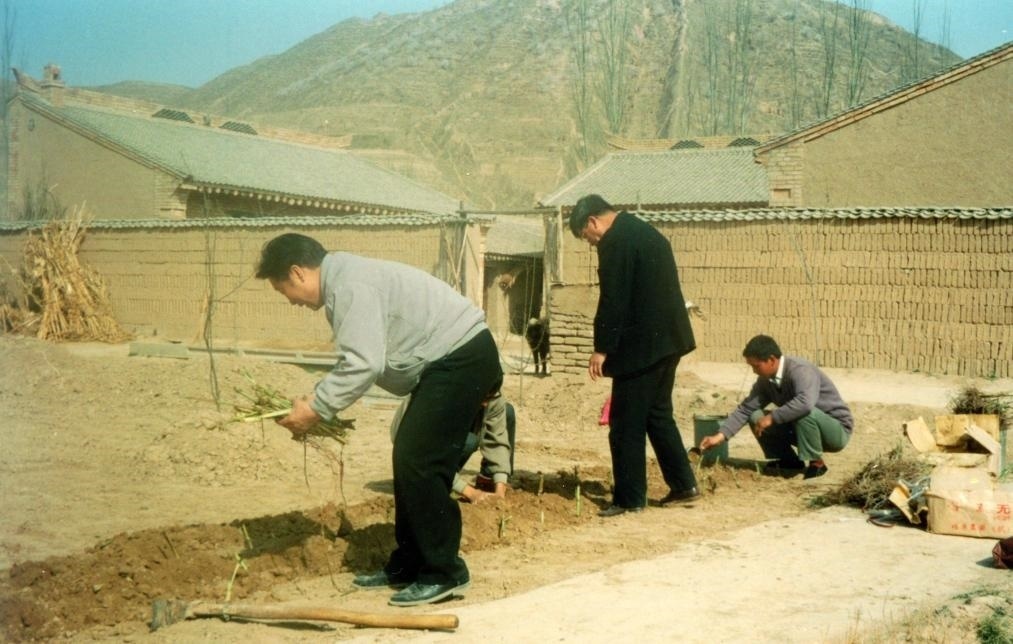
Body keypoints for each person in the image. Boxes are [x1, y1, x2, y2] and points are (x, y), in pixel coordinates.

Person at [255, 233, 502, 607]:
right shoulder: (345, 279)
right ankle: (409, 564)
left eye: (283, 290)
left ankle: (444, 572)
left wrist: (317, 407)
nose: (290, 301)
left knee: (419, 457)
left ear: (297, 272)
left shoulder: (349, 286)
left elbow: (363, 363)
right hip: (452, 358)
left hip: (461, 356)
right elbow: (363, 357)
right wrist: (319, 399)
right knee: (409, 454)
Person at [568, 194, 699, 517]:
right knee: (657, 414)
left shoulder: (615, 242)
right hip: (670, 341)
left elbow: (613, 299)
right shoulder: (643, 230)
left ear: (592, 221)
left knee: (625, 422)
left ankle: (629, 498)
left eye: (586, 236)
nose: (590, 242)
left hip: (642, 349)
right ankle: (684, 485)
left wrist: (602, 348)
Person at [699, 335, 853, 479]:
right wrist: (720, 436)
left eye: (756, 366)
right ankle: (789, 461)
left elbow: (805, 403)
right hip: (804, 429)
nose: (754, 371)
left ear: (771, 360)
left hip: (835, 431)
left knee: (802, 411)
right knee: (755, 416)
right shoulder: (765, 381)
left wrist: (772, 417)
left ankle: (816, 463)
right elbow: (746, 409)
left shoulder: (800, 370)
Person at [391, 392, 516, 503]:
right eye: (483, 398)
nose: (485, 404)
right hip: (412, 446)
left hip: (457, 409)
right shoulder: (439, 396)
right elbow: (427, 454)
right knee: (469, 442)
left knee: (506, 411)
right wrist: (470, 493)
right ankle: (438, 482)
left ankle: (487, 479)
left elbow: (497, 439)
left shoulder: (490, 388)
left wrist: (500, 490)